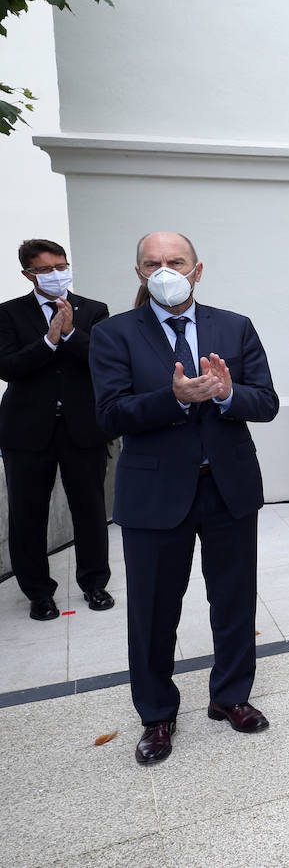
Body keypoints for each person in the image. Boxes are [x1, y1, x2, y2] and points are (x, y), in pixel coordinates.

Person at [90, 231, 279, 765]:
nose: (165, 272)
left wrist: (228, 393)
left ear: (197, 270)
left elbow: (265, 402)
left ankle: (231, 695)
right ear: (139, 272)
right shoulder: (114, 334)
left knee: (234, 599)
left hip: (227, 486)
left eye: (176, 261)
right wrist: (171, 398)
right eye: (153, 263)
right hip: (154, 493)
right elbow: (109, 415)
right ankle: (156, 714)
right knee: (153, 610)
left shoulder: (234, 326)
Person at [0, 239, 113, 621]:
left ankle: (95, 583)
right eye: (45, 269)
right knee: (27, 515)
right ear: (28, 274)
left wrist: (68, 333)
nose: (56, 274)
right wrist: (48, 340)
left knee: (90, 509)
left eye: (61, 266)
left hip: (83, 427)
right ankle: (38, 593)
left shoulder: (94, 310)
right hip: (27, 431)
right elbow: (8, 367)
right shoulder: (9, 313)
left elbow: (104, 359)